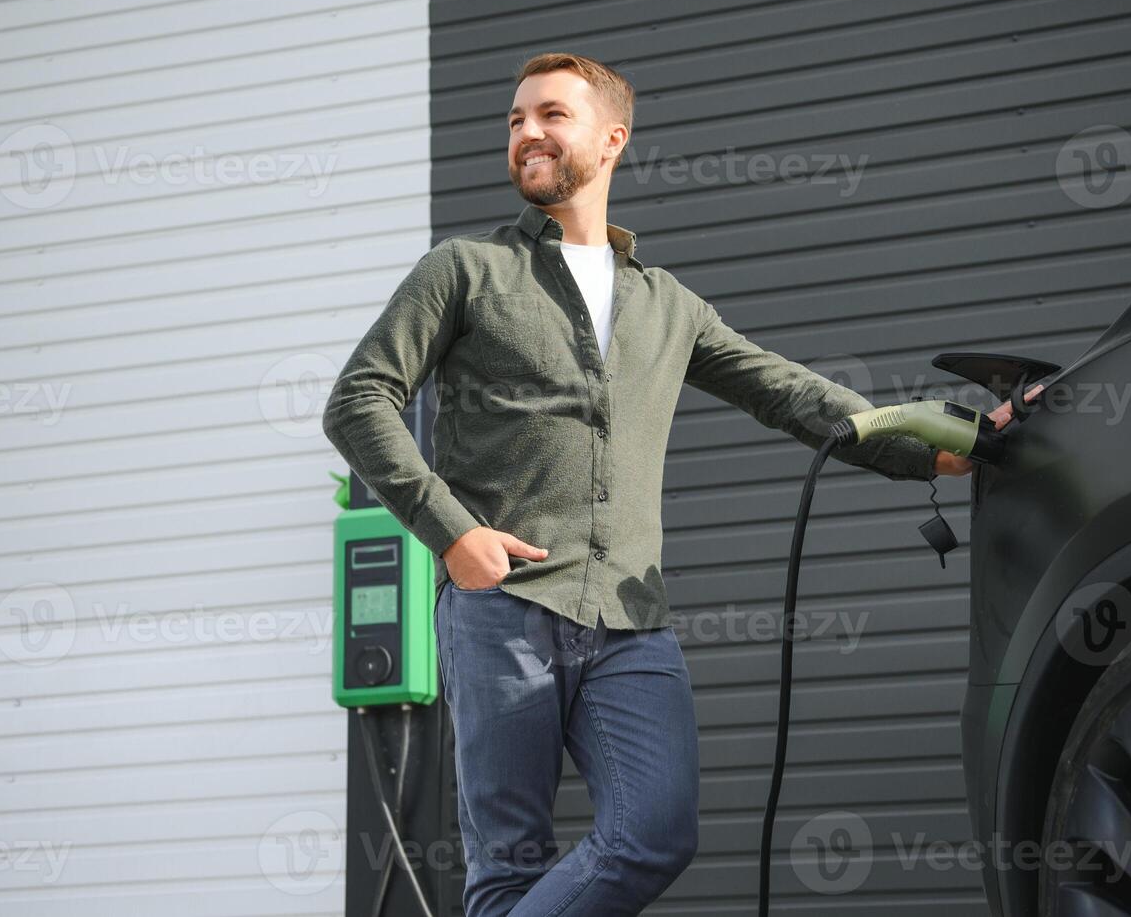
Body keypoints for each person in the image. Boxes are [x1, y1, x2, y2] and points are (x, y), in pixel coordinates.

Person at [321, 52, 1028, 916]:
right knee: (506, 870)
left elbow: (789, 391)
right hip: (502, 608)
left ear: (612, 138)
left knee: (657, 832)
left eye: (551, 115)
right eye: (514, 120)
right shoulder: (463, 271)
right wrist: (450, 532)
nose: (526, 133)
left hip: (630, 621)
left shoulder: (667, 304)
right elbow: (358, 398)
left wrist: (933, 446)